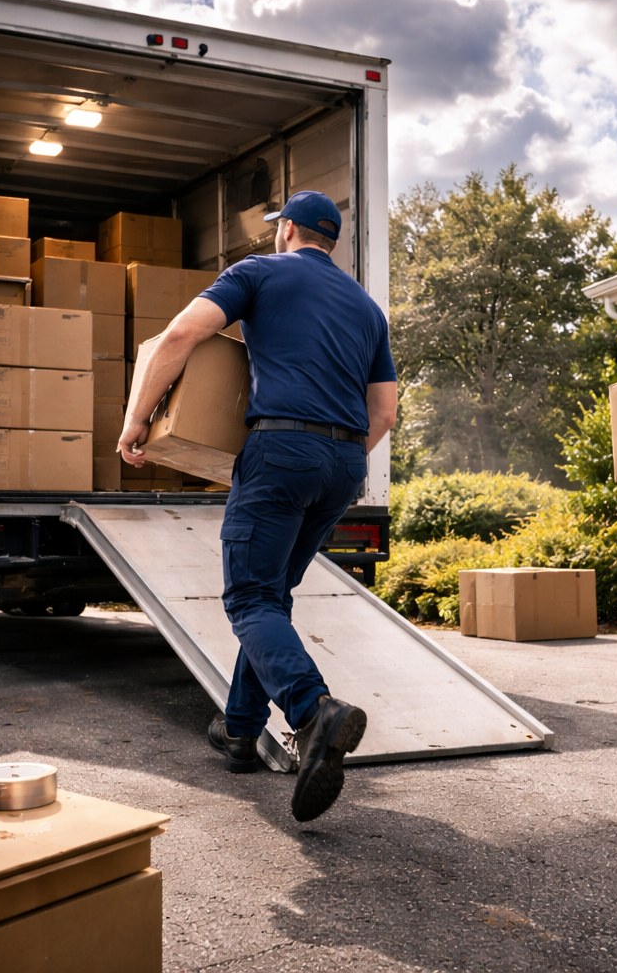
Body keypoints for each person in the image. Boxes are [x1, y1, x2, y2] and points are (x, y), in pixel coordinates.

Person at [118, 190, 397, 821]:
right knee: (269, 595)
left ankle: (311, 710)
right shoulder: (367, 309)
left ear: (288, 230)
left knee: (248, 599)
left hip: (280, 451)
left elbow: (180, 336)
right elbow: (385, 413)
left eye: (279, 227)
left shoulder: (257, 272)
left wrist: (136, 420)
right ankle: (240, 730)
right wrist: (337, 455)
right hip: (346, 462)